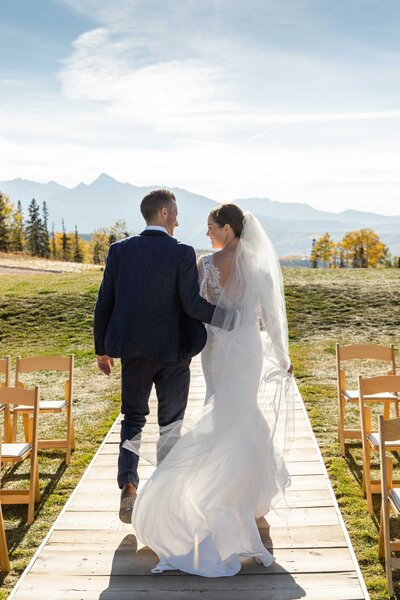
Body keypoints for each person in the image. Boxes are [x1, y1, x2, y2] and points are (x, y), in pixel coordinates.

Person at [124, 204, 295, 577]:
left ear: (229, 230)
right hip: (245, 349)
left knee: (225, 415)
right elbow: (271, 318)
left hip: (218, 349)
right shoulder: (257, 267)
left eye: (211, 227)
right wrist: (281, 355)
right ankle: (236, 495)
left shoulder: (205, 265)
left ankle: (223, 493)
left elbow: (192, 309)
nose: (207, 233)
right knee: (238, 415)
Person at [93, 189, 232, 524]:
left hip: (135, 353)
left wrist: (102, 349)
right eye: (177, 212)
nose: (179, 219)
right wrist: (233, 319)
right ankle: (165, 494)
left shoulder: (120, 251)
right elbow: (192, 305)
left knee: (133, 420)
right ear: (166, 213)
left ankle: (128, 483)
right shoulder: (182, 252)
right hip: (174, 353)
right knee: (171, 425)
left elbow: (105, 302)